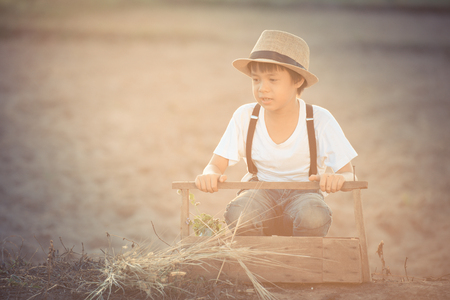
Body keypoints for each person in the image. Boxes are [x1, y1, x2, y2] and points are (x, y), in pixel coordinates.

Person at [195, 30, 357, 237]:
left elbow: (349, 173)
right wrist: (210, 175)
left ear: (298, 80)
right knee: (240, 212)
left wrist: (339, 179)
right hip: (259, 193)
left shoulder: (319, 120)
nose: (262, 88)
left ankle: (302, 263)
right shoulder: (246, 116)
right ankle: (255, 261)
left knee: (313, 215)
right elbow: (216, 165)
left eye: (273, 80)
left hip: (305, 196)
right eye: (256, 80)